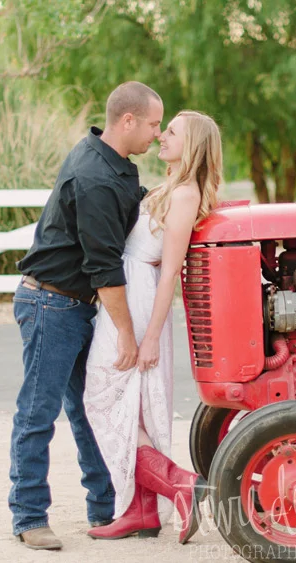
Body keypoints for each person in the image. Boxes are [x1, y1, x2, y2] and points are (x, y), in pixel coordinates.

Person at [8, 81, 164, 550]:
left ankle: (105, 507)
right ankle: (29, 515)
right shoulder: (94, 177)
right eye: (154, 124)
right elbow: (103, 268)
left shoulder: (115, 165)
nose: (157, 134)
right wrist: (127, 334)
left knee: (86, 410)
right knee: (39, 411)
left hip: (73, 306)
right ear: (128, 120)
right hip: (50, 304)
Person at [83, 110, 222, 544]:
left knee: (101, 396)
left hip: (143, 299)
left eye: (172, 132)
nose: (161, 136)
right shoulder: (169, 188)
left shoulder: (185, 195)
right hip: (130, 290)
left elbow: (169, 273)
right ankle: (142, 511)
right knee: (128, 404)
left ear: (193, 145)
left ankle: (180, 483)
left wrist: (148, 337)